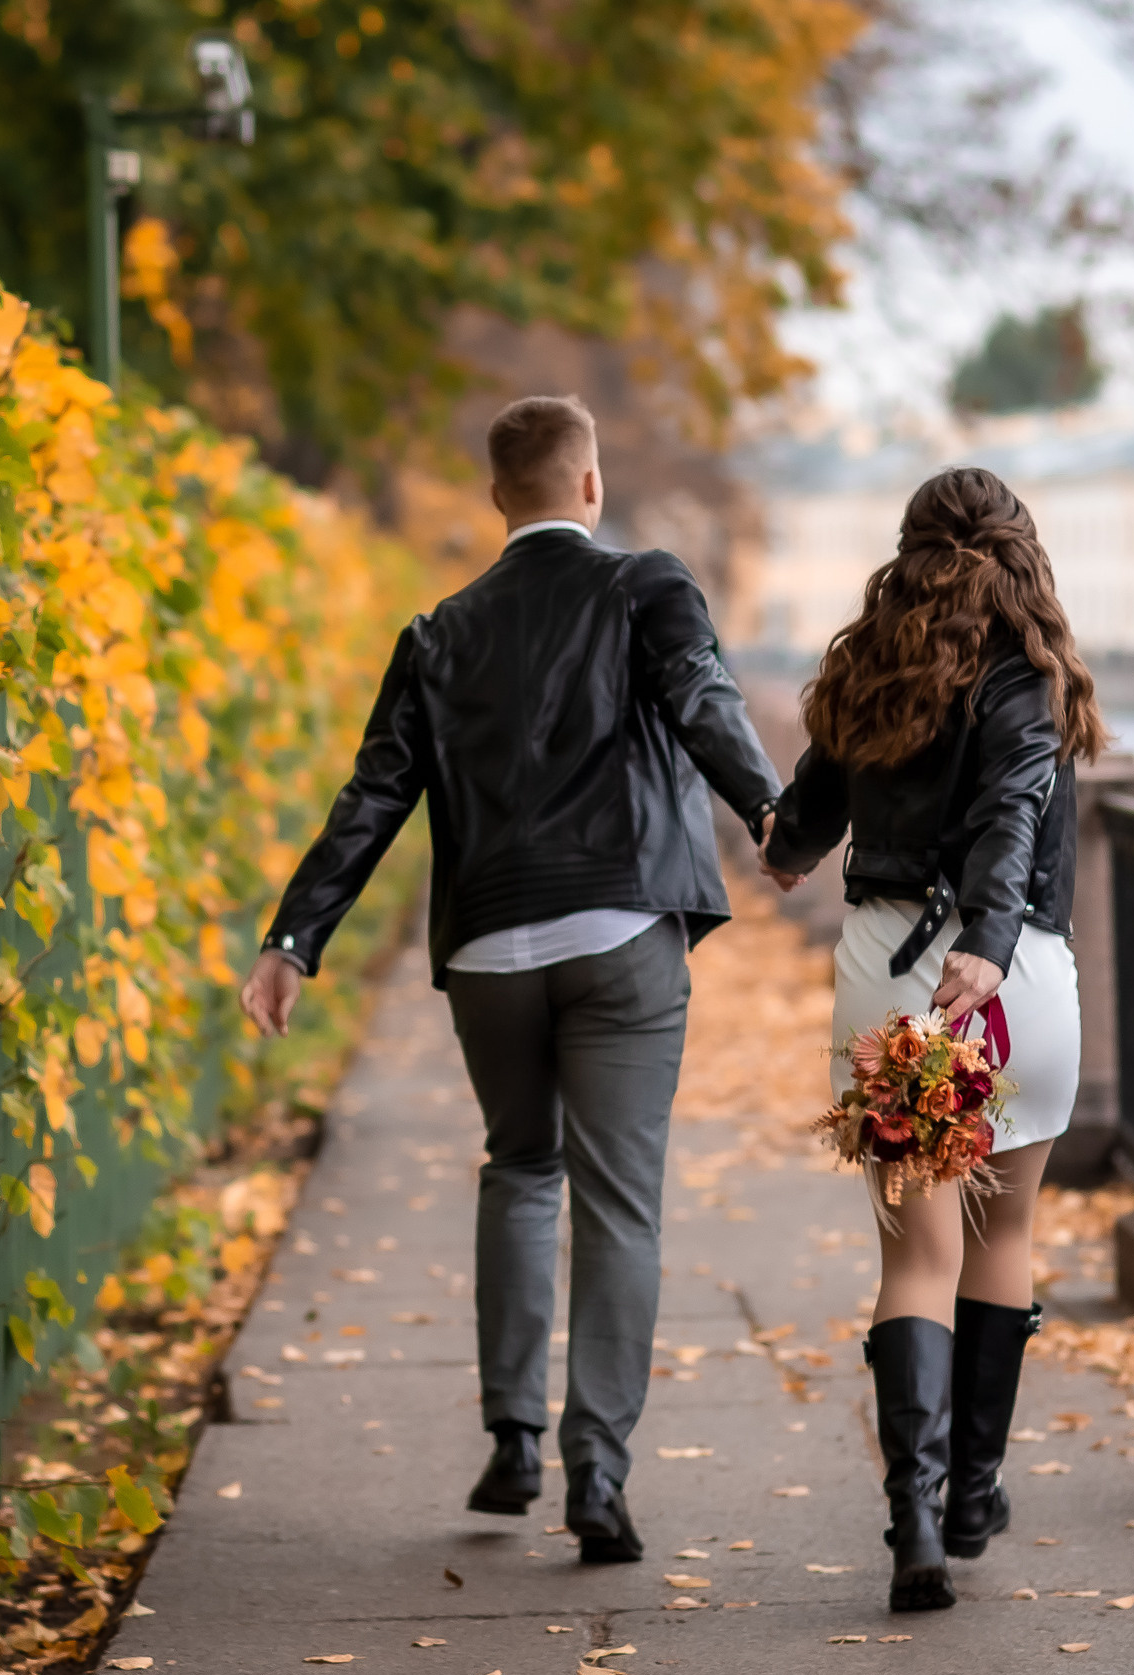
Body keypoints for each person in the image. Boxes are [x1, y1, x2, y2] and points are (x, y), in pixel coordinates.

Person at [239, 394, 784, 1567]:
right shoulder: (646, 585)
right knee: (618, 1199)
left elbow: (373, 795)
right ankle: (598, 1465)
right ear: (589, 487)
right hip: (622, 930)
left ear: (497, 497)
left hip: (489, 946)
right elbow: (703, 703)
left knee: (519, 1169)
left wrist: (295, 940)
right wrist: (771, 814)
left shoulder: (436, 633)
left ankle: (511, 1438)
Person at [758, 466, 1105, 1612]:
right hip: (1010, 987)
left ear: (906, 551)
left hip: (888, 978)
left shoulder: (865, 668)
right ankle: (971, 1492)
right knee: (1002, 1236)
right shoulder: (1029, 681)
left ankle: (912, 1521)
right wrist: (991, 945)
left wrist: (782, 843)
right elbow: (1010, 815)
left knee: (914, 1257)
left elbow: (801, 819)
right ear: (1022, 555)